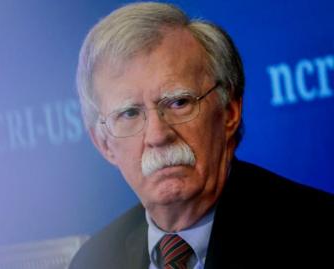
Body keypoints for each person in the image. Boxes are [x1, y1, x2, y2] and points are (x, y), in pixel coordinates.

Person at [69, 2, 334, 269]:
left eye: (179, 102)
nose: (157, 136)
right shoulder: (93, 261)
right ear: (104, 144)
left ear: (229, 112)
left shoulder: (317, 235)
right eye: (128, 114)